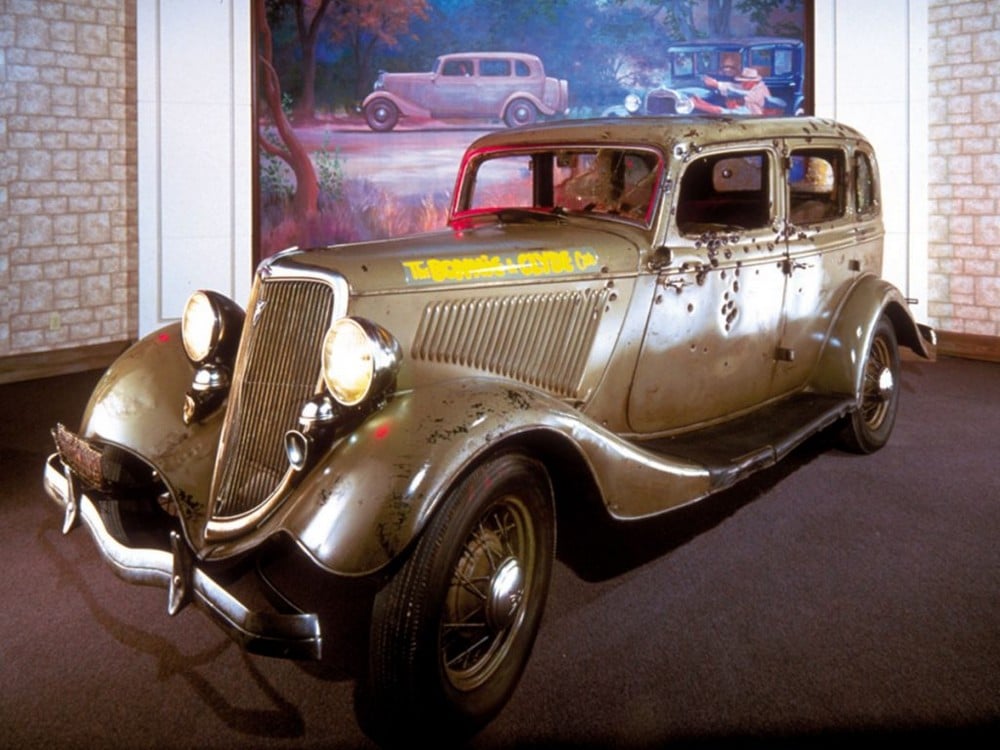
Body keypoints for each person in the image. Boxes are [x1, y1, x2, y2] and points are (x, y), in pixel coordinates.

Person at [692, 66, 771, 116]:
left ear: (754, 81)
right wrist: (701, 102)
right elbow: (734, 87)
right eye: (742, 81)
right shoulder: (749, 86)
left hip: (753, 119)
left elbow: (720, 111)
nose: (742, 84)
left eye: (745, 82)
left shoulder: (760, 91)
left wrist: (696, 105)